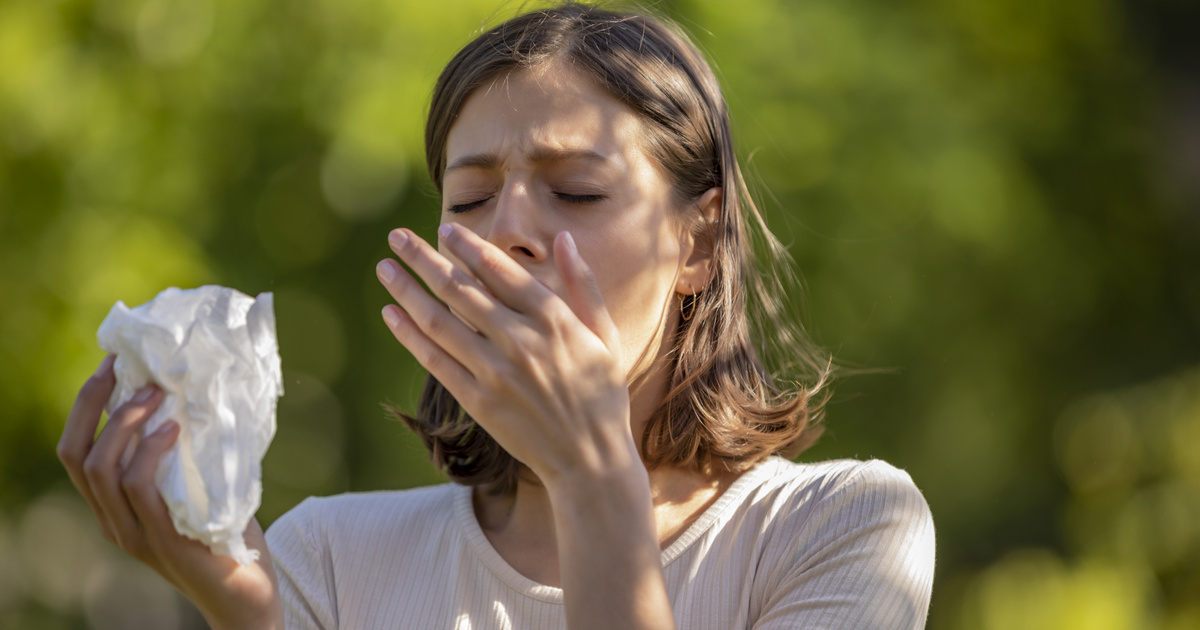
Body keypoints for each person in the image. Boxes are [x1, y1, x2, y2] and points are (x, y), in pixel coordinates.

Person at [57, 3, 935, 629]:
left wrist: (594, 475)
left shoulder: (843, 527)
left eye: (576, 190)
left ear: (698, 244)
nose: (507, 231)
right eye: (471, 199)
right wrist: (247, 619)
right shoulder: (327, 556)